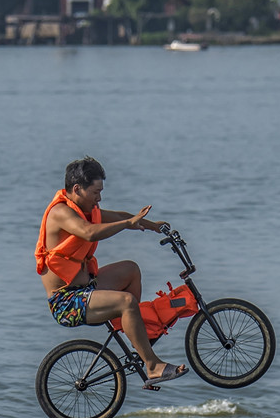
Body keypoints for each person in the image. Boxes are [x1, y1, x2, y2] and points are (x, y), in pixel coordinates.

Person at [35, 156, 187, 387]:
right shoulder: (60, 213)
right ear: (77, 189)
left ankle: (134, 332)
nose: (99, 198)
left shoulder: (87, 209)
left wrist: (152, 225)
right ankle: (153, 366)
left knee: (131, 270)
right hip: (67, 302)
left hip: (87, 288)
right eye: (95, 192)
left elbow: (122, 217)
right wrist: (128, 224)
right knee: (127, 301)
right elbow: (88, 233)